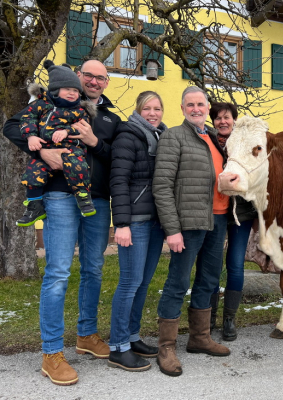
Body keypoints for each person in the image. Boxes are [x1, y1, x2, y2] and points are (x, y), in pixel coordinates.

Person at [3, 59, 121, 386]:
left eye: (101, 77)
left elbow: (117, 157)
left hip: (97, 200)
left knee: (94, 268)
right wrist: (42, 152)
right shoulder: (49, 105)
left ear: (106, 82)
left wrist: (94, 141)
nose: (94, 82)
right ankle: (52, 352)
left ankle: (86, 335)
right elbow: (13, 126)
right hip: (59, 196)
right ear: (78, 78)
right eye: (89, 76)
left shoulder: (110, 116)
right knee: (58, 271)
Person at [152, 86, 231, 377]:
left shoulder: (212, 136)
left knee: (209, 280)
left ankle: (199, 338)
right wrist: (172, 230)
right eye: (190, 104)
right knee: (177, 282)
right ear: (182, 107)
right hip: (189, 224)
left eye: (200, 104)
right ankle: (167, 346)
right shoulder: (174, 136)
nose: (196, 108)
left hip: (218, 220)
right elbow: (162, 186)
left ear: (207, 106)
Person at [107, 91, 167, 372]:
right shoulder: (128, 135)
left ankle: (131, 337)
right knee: (129, 282)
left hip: (155, 221)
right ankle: (118, 347)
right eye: (147, 108)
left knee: (143, 283)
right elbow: (118, 181)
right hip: (134, 221)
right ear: (138, 111)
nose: (153, 113)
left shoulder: (161, 136)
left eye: (157, 109)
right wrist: (121, 224)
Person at [16, 60, 97, 227]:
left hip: (71, 149)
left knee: (78, 166)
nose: (72, 93)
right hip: (45, 149)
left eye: (75, 90)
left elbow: (83, 128)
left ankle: (83, 196)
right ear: (54, 89)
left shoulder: (79, 110)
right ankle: (34, 205)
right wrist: (31, 136)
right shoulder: (40, 105)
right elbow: (26, 119)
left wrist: (67, 131)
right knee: (33, 171)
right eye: (67, 89)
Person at [208, 102, 257, 341]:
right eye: (217, 118)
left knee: (235, 265)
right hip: (214, 212)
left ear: (234, 119)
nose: (222, 121)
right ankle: (208, 316)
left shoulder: (244, 143)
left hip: (242, 213)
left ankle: (229, 319)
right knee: (212, 265)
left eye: (226, 117)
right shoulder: (207, 142)